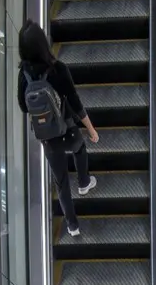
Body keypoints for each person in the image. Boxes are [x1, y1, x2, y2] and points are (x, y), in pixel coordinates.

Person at [17, 19, 100, 237]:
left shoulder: (23, 76)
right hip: (67, 130)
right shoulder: (58, 69)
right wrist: (91, 130)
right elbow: (76, 103)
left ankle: (72, 226)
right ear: (43, 44)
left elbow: (22, 106)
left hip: (47, 138)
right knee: (80, 148)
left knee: (61, 183)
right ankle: (84, 182)